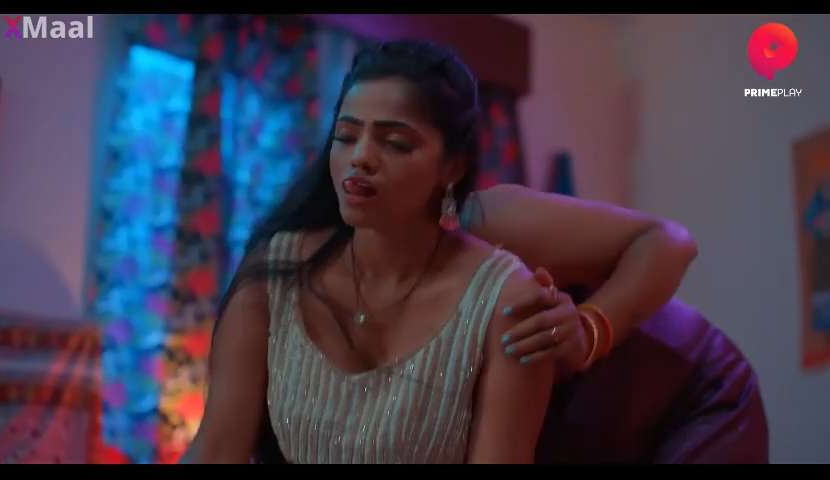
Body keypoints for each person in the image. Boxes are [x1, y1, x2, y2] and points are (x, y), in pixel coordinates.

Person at [182, 39, 697, 464]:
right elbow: (217, 448)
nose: (361, 158)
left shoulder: (502, 273)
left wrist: (588, 331)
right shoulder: (277, 274)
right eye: (346, 136)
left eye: (396, 143)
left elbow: (670, 241)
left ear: (452, 165)